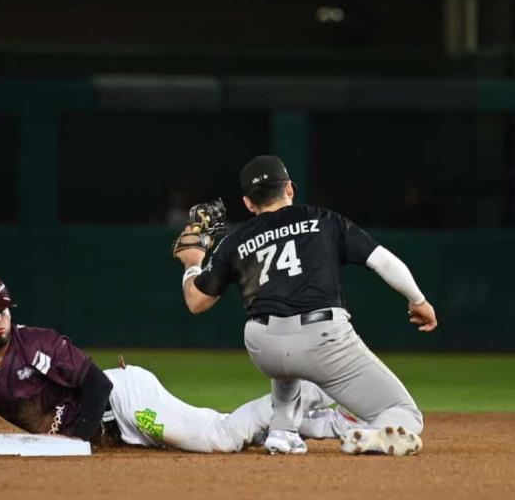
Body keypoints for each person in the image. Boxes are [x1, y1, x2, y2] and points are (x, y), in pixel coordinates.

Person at [0, 274, 355, 454]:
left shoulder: (36, 342)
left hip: (123, 400)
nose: (0, 322)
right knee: (220, 434)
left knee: (221, 438)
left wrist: (79, 442)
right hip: (110, 424)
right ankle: (323, 420)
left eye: (3, 312)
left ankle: (301, 393)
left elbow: (92, 383)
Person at [174, 155, 437, 456]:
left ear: (248, 203)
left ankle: (283, 431)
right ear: (289, 189)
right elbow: (384, 261)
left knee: (288, 353)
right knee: (404, 413)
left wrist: (192, 264)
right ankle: (366, 434)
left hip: (264, 346)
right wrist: (419, 301)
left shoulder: (236, 241)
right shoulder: (324, 220)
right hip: (321, 340)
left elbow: (196, 302)